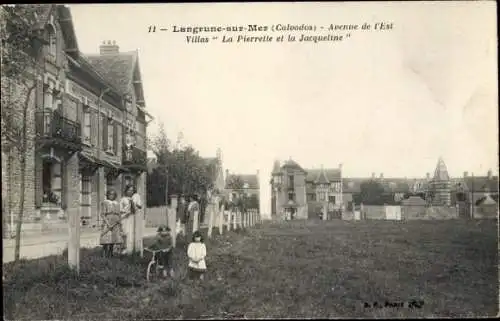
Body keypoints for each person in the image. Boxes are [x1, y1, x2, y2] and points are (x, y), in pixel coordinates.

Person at [100, 189, 123, 257]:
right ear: (107, 195)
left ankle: (111, 253)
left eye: (113, 194)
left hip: (115, 222)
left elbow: (119, 213)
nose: (111, 196)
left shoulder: (117, 203)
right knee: (106, 238)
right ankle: (104, 254)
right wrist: (107, 223)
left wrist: (119, 221)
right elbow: (102, 214)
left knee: (113, 239)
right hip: (108, 220)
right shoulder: (105, 202)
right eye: (110, 194)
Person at [120, 185, 138, 254]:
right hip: (124, 217)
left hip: (131, 218)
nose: (130, 192)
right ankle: (122, 249)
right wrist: (125, 212)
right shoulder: (123, 199)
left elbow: (134, 211)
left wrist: (132, 202)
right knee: (124, 233)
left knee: (131, 233)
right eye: (129, 190)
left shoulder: (134, 200)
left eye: (132, 190)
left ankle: (130, 250)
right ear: (126, 191)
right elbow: (120, 210)